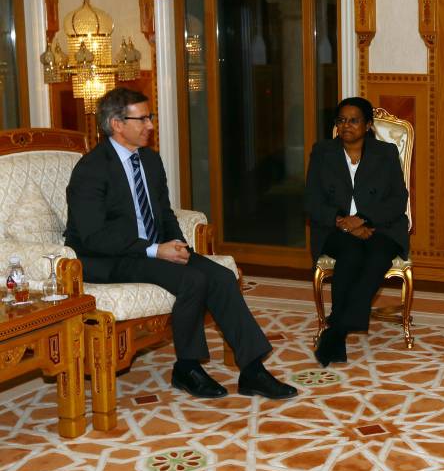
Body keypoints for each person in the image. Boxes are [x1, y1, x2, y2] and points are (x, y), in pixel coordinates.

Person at [65, 87, 296, 400]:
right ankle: (187, 368)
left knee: (222, 276)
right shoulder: (91, 170)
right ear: (117, 124)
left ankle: (253, 371)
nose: (150, 125)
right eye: (143, 118)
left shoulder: (149, 160)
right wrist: (154, 250)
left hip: (151, 249)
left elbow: (162, 211)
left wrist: (177, 242)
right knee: (193, 280)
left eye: (151, 117)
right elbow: (93, 236)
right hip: (107, 258)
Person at [304, 97, 409, 367]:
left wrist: (362, 219)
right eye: (341, 120)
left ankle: (336, 330)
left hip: (381, 227)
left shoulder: (385, 153)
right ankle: (340, 328)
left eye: (353, 120)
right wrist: (343, 222)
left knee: (376, 256)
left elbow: (398, 199)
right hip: (336, 228)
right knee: (350, 254)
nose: (346, 125)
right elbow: (311, 201)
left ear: (368, 125)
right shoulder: (322, 151)